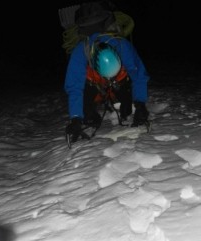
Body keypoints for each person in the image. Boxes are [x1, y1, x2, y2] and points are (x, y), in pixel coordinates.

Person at [64, 1, 150, 143]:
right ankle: (92, 113)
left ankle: (124, 105)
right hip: (95, 86)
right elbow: (75, 86)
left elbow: (138, 74)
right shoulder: (81, 51)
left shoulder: (122, 46)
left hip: (119, 83)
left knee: (127, 109)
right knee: (88, 117)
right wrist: (76, 118)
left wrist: (140, 104)